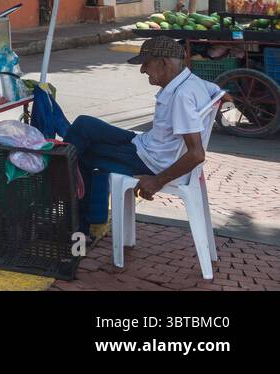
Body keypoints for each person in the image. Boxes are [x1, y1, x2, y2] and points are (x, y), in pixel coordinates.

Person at [63, 36, 216, 232]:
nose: (143, 70)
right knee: (84, 125)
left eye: (146, 63)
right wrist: (225, 96)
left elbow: (197, 154)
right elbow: (216, 90)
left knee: (80, 155)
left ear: (163, 62)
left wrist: (157, 181)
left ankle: (74, 222)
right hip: (147, 145)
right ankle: (85, 218)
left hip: (152, 161)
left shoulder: (182, 96)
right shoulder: (192, 81)